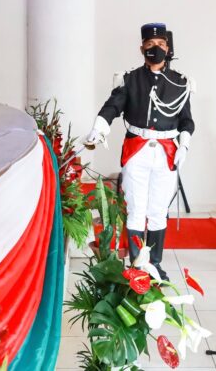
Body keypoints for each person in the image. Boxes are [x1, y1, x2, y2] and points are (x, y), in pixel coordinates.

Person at [84, 23, 194, 281]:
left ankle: (154, 264)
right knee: (136, 209)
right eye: (150, 44)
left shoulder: (180, 82)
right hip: (137, 150)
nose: (156, 48)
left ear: (168, 48)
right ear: (142, 48)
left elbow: (187, 120)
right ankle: (136, 264)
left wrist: (184, 144)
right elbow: (112, 106)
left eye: (161, 44)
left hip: (167, 152)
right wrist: (99, 127)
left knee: (157, 211)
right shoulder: (130, 80)